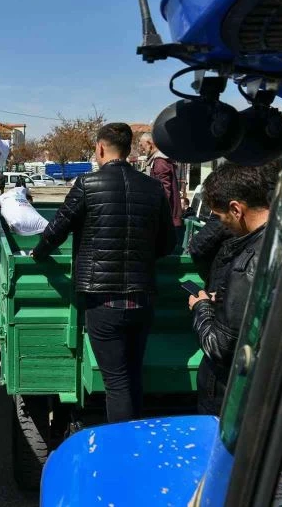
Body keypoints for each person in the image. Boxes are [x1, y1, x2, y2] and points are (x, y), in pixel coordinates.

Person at [31, 123, 175, 423]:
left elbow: (56, 230)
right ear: (129, 149)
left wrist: (38, 253)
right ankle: (135, 440)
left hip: (104, 301)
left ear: (100, 148)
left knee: (117, 383)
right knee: (133, 376)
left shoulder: (87, 184)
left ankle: (122, 453)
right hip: (143, 299)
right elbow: (168, 243)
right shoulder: (152, 188)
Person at [188, 162, 273, 415]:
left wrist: (201, 307)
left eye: (222, 218)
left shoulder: (246, 263)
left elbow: (219, 347)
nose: (224, 226)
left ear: (236, 209)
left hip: (228, 394)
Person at [144, 133, 184, 251]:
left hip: (168, 220)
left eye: (142, 145)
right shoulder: (160, 160)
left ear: (149, 144)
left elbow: (165, 191)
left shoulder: (160, 162)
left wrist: (158, 214)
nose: (142, 149)